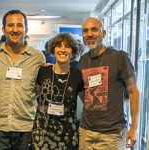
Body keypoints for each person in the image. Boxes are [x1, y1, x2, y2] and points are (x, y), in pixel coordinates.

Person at [78, 17, 140, 150]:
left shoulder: (119, 57)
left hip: (112, 134)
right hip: (86, 131)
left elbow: (133, 91)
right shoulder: (83, 60)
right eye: (85, 31)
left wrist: (134, 127)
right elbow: (83, 92)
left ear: (104, 33)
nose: (89, 34)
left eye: (94, 29)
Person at [0, 10, 45, 150]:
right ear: (3, 29)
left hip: (26, 129)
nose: (15, 29)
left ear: (26, 29)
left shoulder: (38, 58)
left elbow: (39, 89)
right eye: (10, 25)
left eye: (19, 25)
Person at [32, 33, 84, 150]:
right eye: (59, 46)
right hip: (42, 134)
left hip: (67, 136)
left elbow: (87, 102)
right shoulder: (43, 71)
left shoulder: (77, 75)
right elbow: (35, 94)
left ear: (73, 52)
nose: (63, 50)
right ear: (53, 50)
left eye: (67, 47)